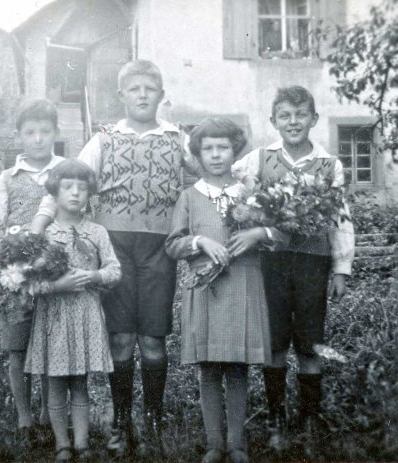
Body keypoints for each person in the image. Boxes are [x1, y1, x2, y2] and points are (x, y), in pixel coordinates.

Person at [31, 59, 200, 457]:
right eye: (134, 89)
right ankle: (122, 421)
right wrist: (36, 228)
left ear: (161, 95)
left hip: (160, 247)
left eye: (150, 89)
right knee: (122, 338)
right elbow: (64, 182)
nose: (142, 96)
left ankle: (154, 419)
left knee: (153, 340)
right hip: (114, 246)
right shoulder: (103, 139)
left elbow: (209, 179)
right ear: (121, 95)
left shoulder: (177, 140)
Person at [232, 86, 355, 454]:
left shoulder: (329, 164)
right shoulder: (259, 158)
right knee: (274, 339)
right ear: (274, 121)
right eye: (285, 115)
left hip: (312, 262)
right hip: (271, 261)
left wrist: (341, 269)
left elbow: (341, 218)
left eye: (301, 115)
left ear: (314, 119)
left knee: (309, 340)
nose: (293, 122)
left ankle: (310, 415)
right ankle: (275, 415)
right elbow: (238, 193)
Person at [165, 117, 288, 463]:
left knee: (237, 366)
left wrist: (258, 234)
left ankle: (236, 444)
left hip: (243, 284)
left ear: (235, 150)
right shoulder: (189, 196)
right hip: (205, 287)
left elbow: (283, 234)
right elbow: (173, 245)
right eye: (208, 149)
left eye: (223, 147)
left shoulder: (251, 192)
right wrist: (200, 241)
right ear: (198, 155)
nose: (216, 155)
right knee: (208, 367)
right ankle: (213, 444)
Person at [24, 159, 121, 462]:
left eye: (82, 188)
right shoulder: (43, 236)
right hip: (53, 316)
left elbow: (114, 270)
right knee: (55, 383)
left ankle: (81, 443)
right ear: (54, 192)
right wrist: (58, 286)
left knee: (79, 382)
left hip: (85, 315)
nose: (76, 194)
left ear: (90, 193)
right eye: (68, 187)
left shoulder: (97, 232)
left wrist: (94, 277)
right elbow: (28, 284)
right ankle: (62, 444)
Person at [0, 99, 64, 443]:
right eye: (30, 132)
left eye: (45, 132)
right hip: (16, 275)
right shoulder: (8, 177)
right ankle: (24, 416)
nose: (37, 139)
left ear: (55, 134)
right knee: (18, 348)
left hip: (54, 272)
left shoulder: (65, 171)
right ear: (19, 136)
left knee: (51, 345)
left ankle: (50, 412)